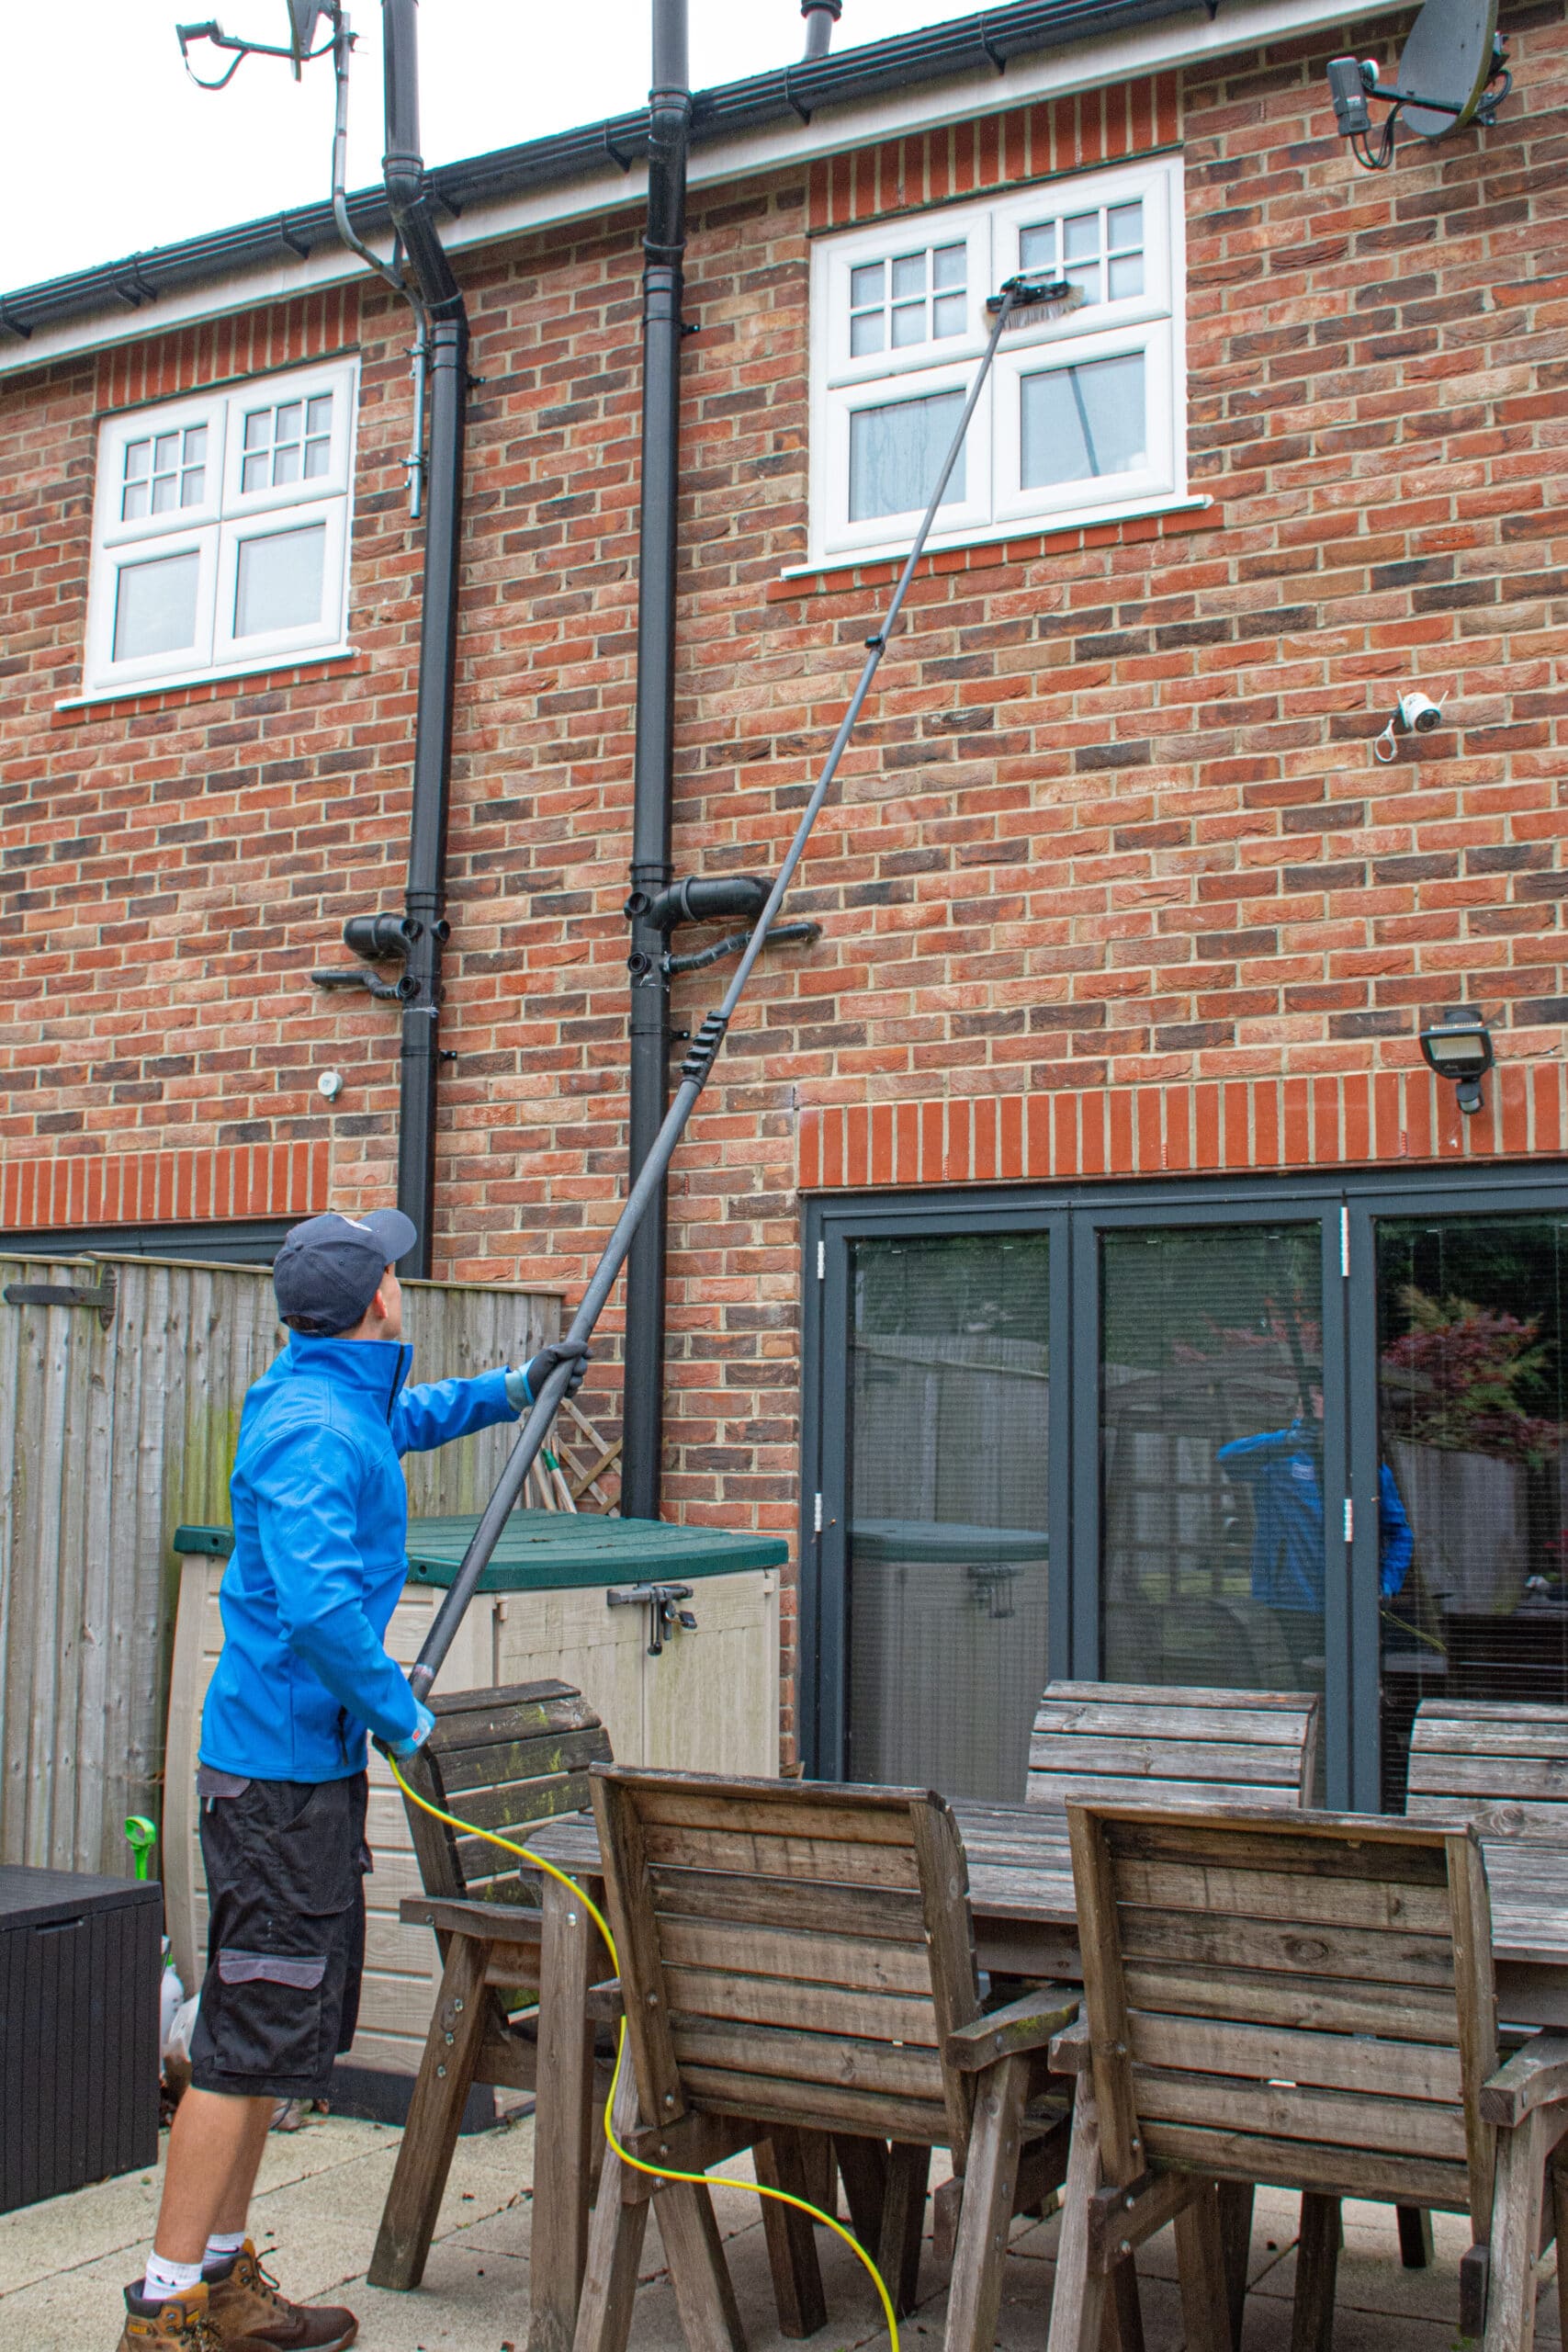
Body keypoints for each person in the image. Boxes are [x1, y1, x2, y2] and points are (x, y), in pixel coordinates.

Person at [119, 1208, 588, 2352]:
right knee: (244, 2039)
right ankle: (166, 2305)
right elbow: (325, 1608)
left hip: (302, 1770)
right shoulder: (310, 1426)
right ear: (379, 1296)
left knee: (273, 2036)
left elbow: (409, 1418)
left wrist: (517, 1386)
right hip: (276, 1780)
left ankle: (222, 2282)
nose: (403, 1276)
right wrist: (407, 1713)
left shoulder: (337, 1394)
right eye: (394, 1265)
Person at [1217, 1385, 1413, 1682]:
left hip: (1347, 1601)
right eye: (1307, 1398)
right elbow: (1228, 1458)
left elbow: (1399, 1533)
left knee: (1348, 1684)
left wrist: (1386, 1584)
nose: (1312, 1401)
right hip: (1287, 1601)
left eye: (1323, 1394)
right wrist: (1286, 1441)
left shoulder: (1364, 1467)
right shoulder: (1277, 1456)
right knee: (1294, 1684)